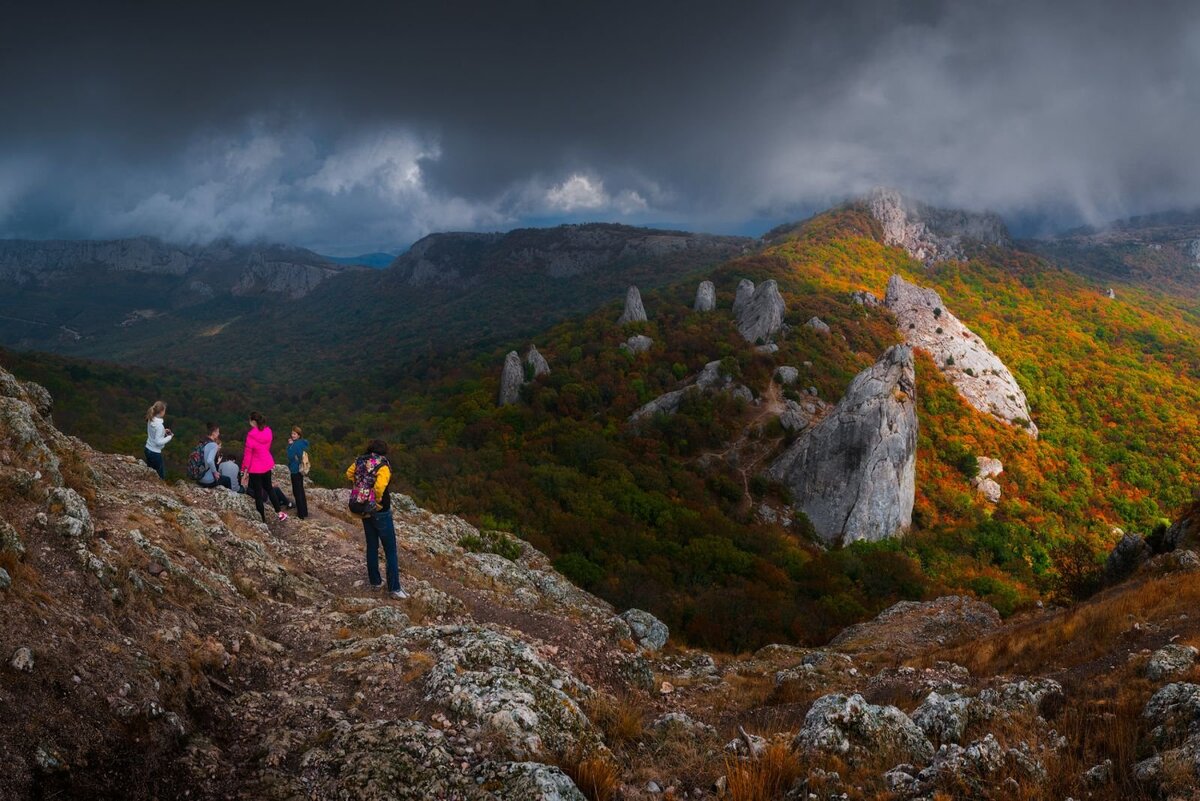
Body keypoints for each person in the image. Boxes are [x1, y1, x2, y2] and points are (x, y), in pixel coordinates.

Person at [345, 439, 407, 599]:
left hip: (363, 509)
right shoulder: (383, 465)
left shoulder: (360, 460)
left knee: (372, 546)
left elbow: (349, 473)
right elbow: (379, 488)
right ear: (384, 451)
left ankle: (375, 582)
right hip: (380, 510)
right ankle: (394, 588)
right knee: (390, 550)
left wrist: (361, 488)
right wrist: (375, 500)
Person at [242, 412, 286, 523]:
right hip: (266, 464)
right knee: (269, 488)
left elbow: (248, 455)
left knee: (258, 494)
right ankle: (279, 513)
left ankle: (262, 520)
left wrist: (244, 471)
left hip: (255, 468)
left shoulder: (251, 435)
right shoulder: (268, 431)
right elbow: (266, 448)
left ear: (253, 422)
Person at [144, 400, 173, 479]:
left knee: (150, 473)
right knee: (160, 476)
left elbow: (153, 433)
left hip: (147, 448)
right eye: (164, 410)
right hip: (155, 452)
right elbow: (158, 442)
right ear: (161, 412)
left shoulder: (150, 419)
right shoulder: (159, 425)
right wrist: (169, 437)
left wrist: (163, 431)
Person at [286, 426, 310, 520]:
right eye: (292, 433)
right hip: (301, 469)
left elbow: (290, 456)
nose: (293, 435)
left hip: (295, 469)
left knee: (297, 492)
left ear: (299, 435)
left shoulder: (295, 445)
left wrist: (290, 446)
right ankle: (304, 512)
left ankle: (300, 515)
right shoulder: (303, 443)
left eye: (295, 434)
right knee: (301, 490)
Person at [197, 423, 222, 488]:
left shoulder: (202, 442)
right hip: (208, 481)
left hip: (199, 477)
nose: (219, 433)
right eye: (218, 432)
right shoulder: (214, 445)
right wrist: (215, 472)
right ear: (213, 433)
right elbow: (210, 460)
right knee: (227, 480)